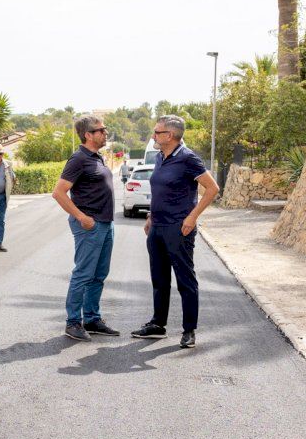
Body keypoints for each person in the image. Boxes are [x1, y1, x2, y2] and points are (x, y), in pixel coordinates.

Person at [130, 115, 220, 348]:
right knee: (159, 279)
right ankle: (158, 325)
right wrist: (150, 215)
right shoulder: (161, 157)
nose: (153, 136)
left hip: (179, 228)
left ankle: (189, 330)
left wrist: (192, 217)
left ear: (169, 135)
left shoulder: (188, 158)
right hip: (157, 227)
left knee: (185, 280)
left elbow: (212, 189)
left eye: (157, 132)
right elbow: (160, 191)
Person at [51, 116, 119, 341]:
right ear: (88, 135)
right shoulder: (79, 158)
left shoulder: (97, 158)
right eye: (101, 130)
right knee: (83, 274)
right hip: (89, 226)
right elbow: (59, 192)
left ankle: (92, 319)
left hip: (105, 224)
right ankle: (72, 322)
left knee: (99, 275)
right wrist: (81, 216)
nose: (105, 133)